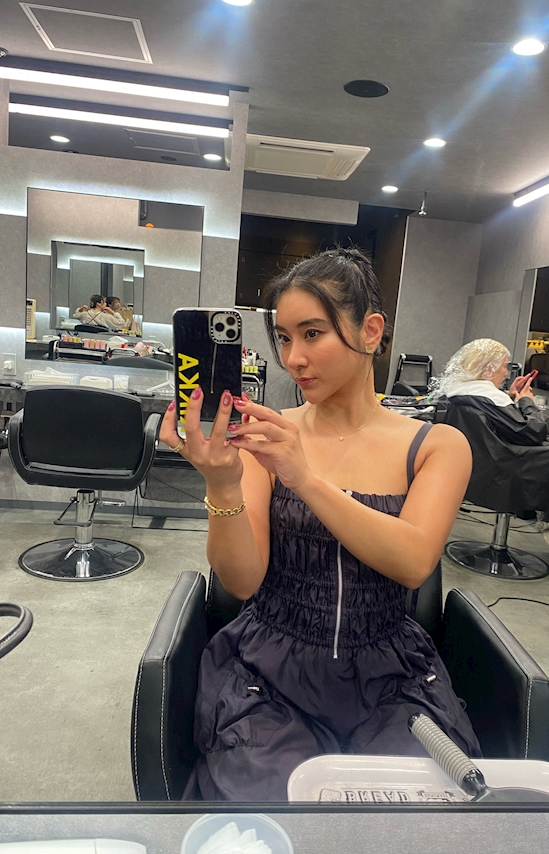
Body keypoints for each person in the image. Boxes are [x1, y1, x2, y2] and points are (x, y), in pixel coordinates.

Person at [159, 247, 481, 802]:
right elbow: (241, 581)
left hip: (392, 678)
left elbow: (412, 562)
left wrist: (304, 478)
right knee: (271, 814)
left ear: (371, 331)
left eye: (312, 334)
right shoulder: (268, 435)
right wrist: (223, 484)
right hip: (270, 674)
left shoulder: (437, 445)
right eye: (284, 338)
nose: (294, 358)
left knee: (408, 818)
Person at [433, 338, 549, 542]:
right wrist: (527, 401)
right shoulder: (489, 397)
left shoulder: (463, 392)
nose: (505, 372)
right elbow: (534, 431)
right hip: (500, 474)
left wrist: (510, 397)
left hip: (475, 471)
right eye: (504, 366)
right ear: (488, 368)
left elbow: (500, 422)